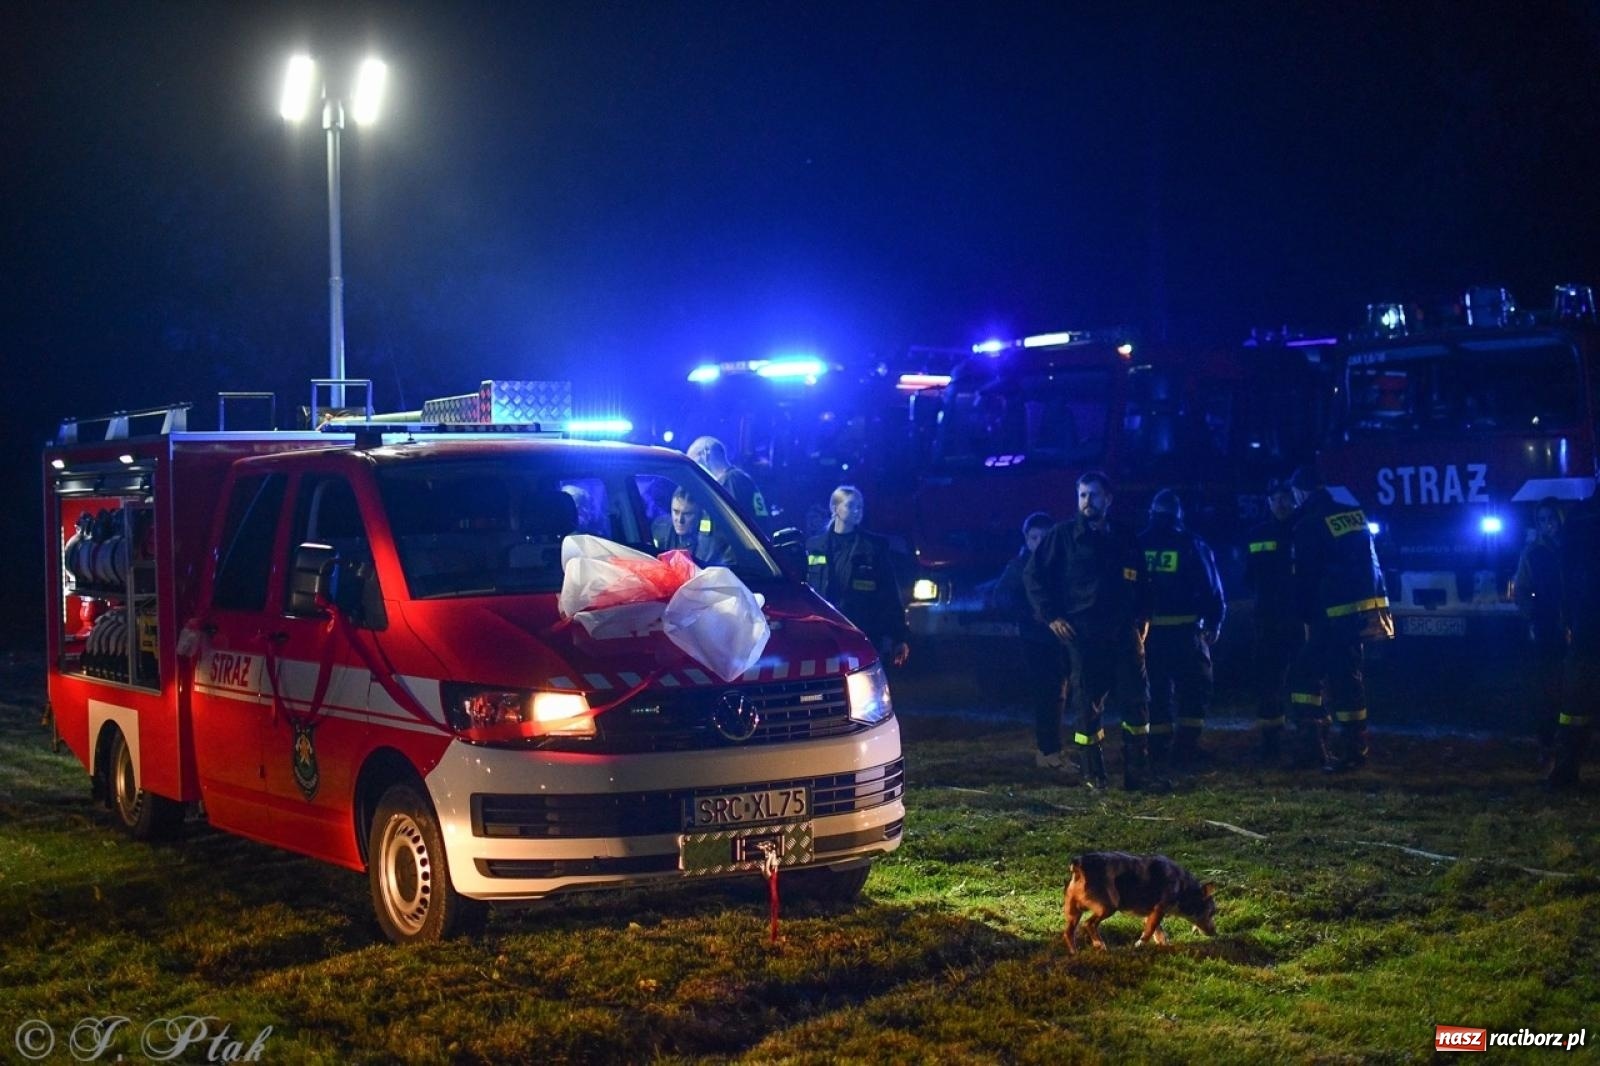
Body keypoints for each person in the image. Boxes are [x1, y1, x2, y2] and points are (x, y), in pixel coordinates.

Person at [1024, 471, 1162, 791]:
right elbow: (1033, 578)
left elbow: (1143, 581)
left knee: (1137, 699)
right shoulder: (1062, 537)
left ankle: (1138, 772)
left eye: (1094, 495)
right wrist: (1051, 616)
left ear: (1108, 499)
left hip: (1124, 632)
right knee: (1087, 703)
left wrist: (1144, 618)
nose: (1087, 501)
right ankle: (1093, 775)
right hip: (1083, 634)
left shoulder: (1125, 537)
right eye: (1083, 495)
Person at [1285, 463, 1393, 772]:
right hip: (1363, 610)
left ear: (1301, 492)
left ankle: (1318, 748)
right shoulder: (1353, 514)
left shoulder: (1308, 523)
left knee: (1306, 677)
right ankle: (1350, 749)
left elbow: (1306, 575)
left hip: (1331, 614)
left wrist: (1303, 613)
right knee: (1348, 678)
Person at [1139, 488, 1226, 771]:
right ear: (1179, 515)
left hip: (1147, 634)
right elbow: (1211, 586)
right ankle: (1186, 749)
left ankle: (1157, 750)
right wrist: (1214, 621)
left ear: (1152, 513)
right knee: (1194, 689)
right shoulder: (1192, 543)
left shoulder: (1137, 544)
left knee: (1156, 692)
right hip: (1187, 632)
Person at [991, 511, 1070, 771]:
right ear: (1026, 538)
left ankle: (1053, 749)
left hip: (1058, 638)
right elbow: (1002, 597)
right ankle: (1047, 750)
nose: (1039, 542)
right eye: (1034, 537)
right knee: (1047, 694)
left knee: (1059, 693)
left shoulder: (1058, 563)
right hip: (1035, 639)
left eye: (1044, 537)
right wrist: (1031, 616)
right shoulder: (1019, 567)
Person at [805, 485, 911, 667]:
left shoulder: (874, 548)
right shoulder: (814, 546)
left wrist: (898, 636)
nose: (857, 511)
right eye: (851, 506)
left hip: (863, 634)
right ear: (834, 508)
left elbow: (889, 594)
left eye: (860, 507)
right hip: (823, 636)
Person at [1245, 478, 1305, 762]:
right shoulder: (1256, 534)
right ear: (1268, 502)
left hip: (1300, 616)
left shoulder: (1305, 531)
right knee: (1268, 682)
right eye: (1275, 499)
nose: (1280, 504)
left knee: (1306, 679)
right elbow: (1248, 577)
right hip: (1267, 619)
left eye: (1285, 498)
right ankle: (1270, 742)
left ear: (1295, 500)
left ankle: (1310, 739)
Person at [1551, 486, 1599, 790]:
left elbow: (1564, 574)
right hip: (1586, 619)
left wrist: (1567, 617)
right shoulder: (1582, 515)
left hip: (1586, 620)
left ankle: (1566, 772)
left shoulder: (1580, 514)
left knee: (1575, 703)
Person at [1513, 498, 1566, 770]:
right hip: (1547, 628)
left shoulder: (1576, 548)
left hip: (1578, 625)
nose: (1548, 525)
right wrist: (1531, 618)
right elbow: (1521, 590)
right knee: (1549, 689)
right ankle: (1547, 745)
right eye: (1543, 520)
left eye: (1552, 519)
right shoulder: (1532, 553)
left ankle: (1572, 744)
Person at [687, 436, 771, 530]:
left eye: (693, 462)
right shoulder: (738, 479)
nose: (693, 469)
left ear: (705, 454)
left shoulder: (730, 481)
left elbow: (732, 527)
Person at [652, 486, 733, 565]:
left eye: (687, 514)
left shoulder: (714, 543)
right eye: (676, 511)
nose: (680, 520)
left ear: (700, 514)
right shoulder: (659, 528)